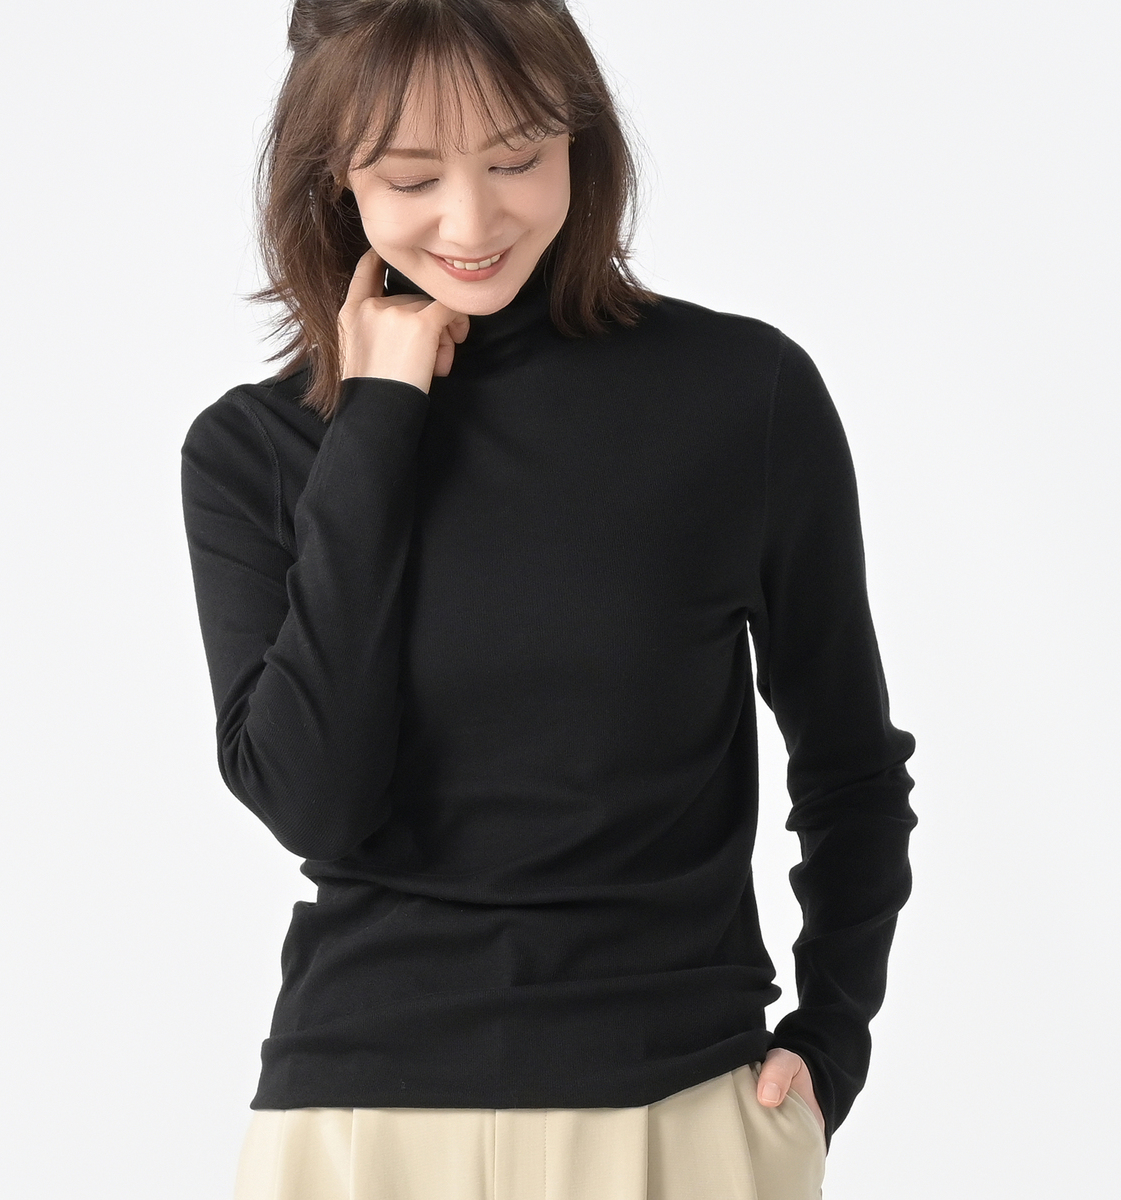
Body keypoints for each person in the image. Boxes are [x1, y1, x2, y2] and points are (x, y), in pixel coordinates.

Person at [179, 1, 919, 1197]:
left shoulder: (741, 396)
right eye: (410, 177)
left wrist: (833, 1041)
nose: (473, 221)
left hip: (679, 1114)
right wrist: (377, 422)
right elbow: (318, 802)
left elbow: (848, 766)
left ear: (582, 138)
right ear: (336, 179)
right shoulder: (253, 452)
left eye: (518, 158)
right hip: (362, 1128)